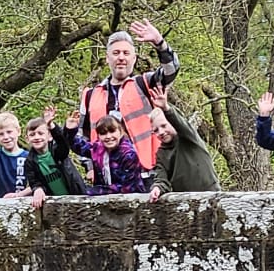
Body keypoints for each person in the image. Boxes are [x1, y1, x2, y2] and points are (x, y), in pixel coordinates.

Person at [80, 19, 179, 174]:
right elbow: (83, 135)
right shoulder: (90, 95)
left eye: (126, 53)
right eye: (116, 53)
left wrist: (160, 43)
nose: (121, 57)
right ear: (107, 58)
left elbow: (171, 70)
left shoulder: (145, 84)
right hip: (107, 177)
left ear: (134, 59)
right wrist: (89, 166)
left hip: (145, 173)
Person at [147, 85, 219, 197]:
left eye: (164, 126)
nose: (161, 132)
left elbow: (180, 123)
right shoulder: (162, 154)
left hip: (211, 195)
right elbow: (161, 178)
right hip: (186, 201)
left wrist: (166, 108)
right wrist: (157, 188)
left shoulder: (189, 138)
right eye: (156, 130)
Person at [24, 109, 87, 207]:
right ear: (27, 139)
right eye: (32, 135)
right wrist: (38, 190)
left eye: (40, 133)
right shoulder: (30, 162)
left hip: (76, 196)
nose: (36, 137)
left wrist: (52, 126)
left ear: (49, 136)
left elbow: (63, 142)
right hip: (54, 203)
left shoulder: (56, 152)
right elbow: (34, 181)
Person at [74, 113, 147, 195]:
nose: (108, 136)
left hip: (132, 200)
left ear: (120, 132)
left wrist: (95, 191)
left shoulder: (128, 154)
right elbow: (79, 146)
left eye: (112, 131)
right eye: (103, 133)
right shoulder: (98, 149)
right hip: (104, 197)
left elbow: (127, 187)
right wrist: (70, 130)